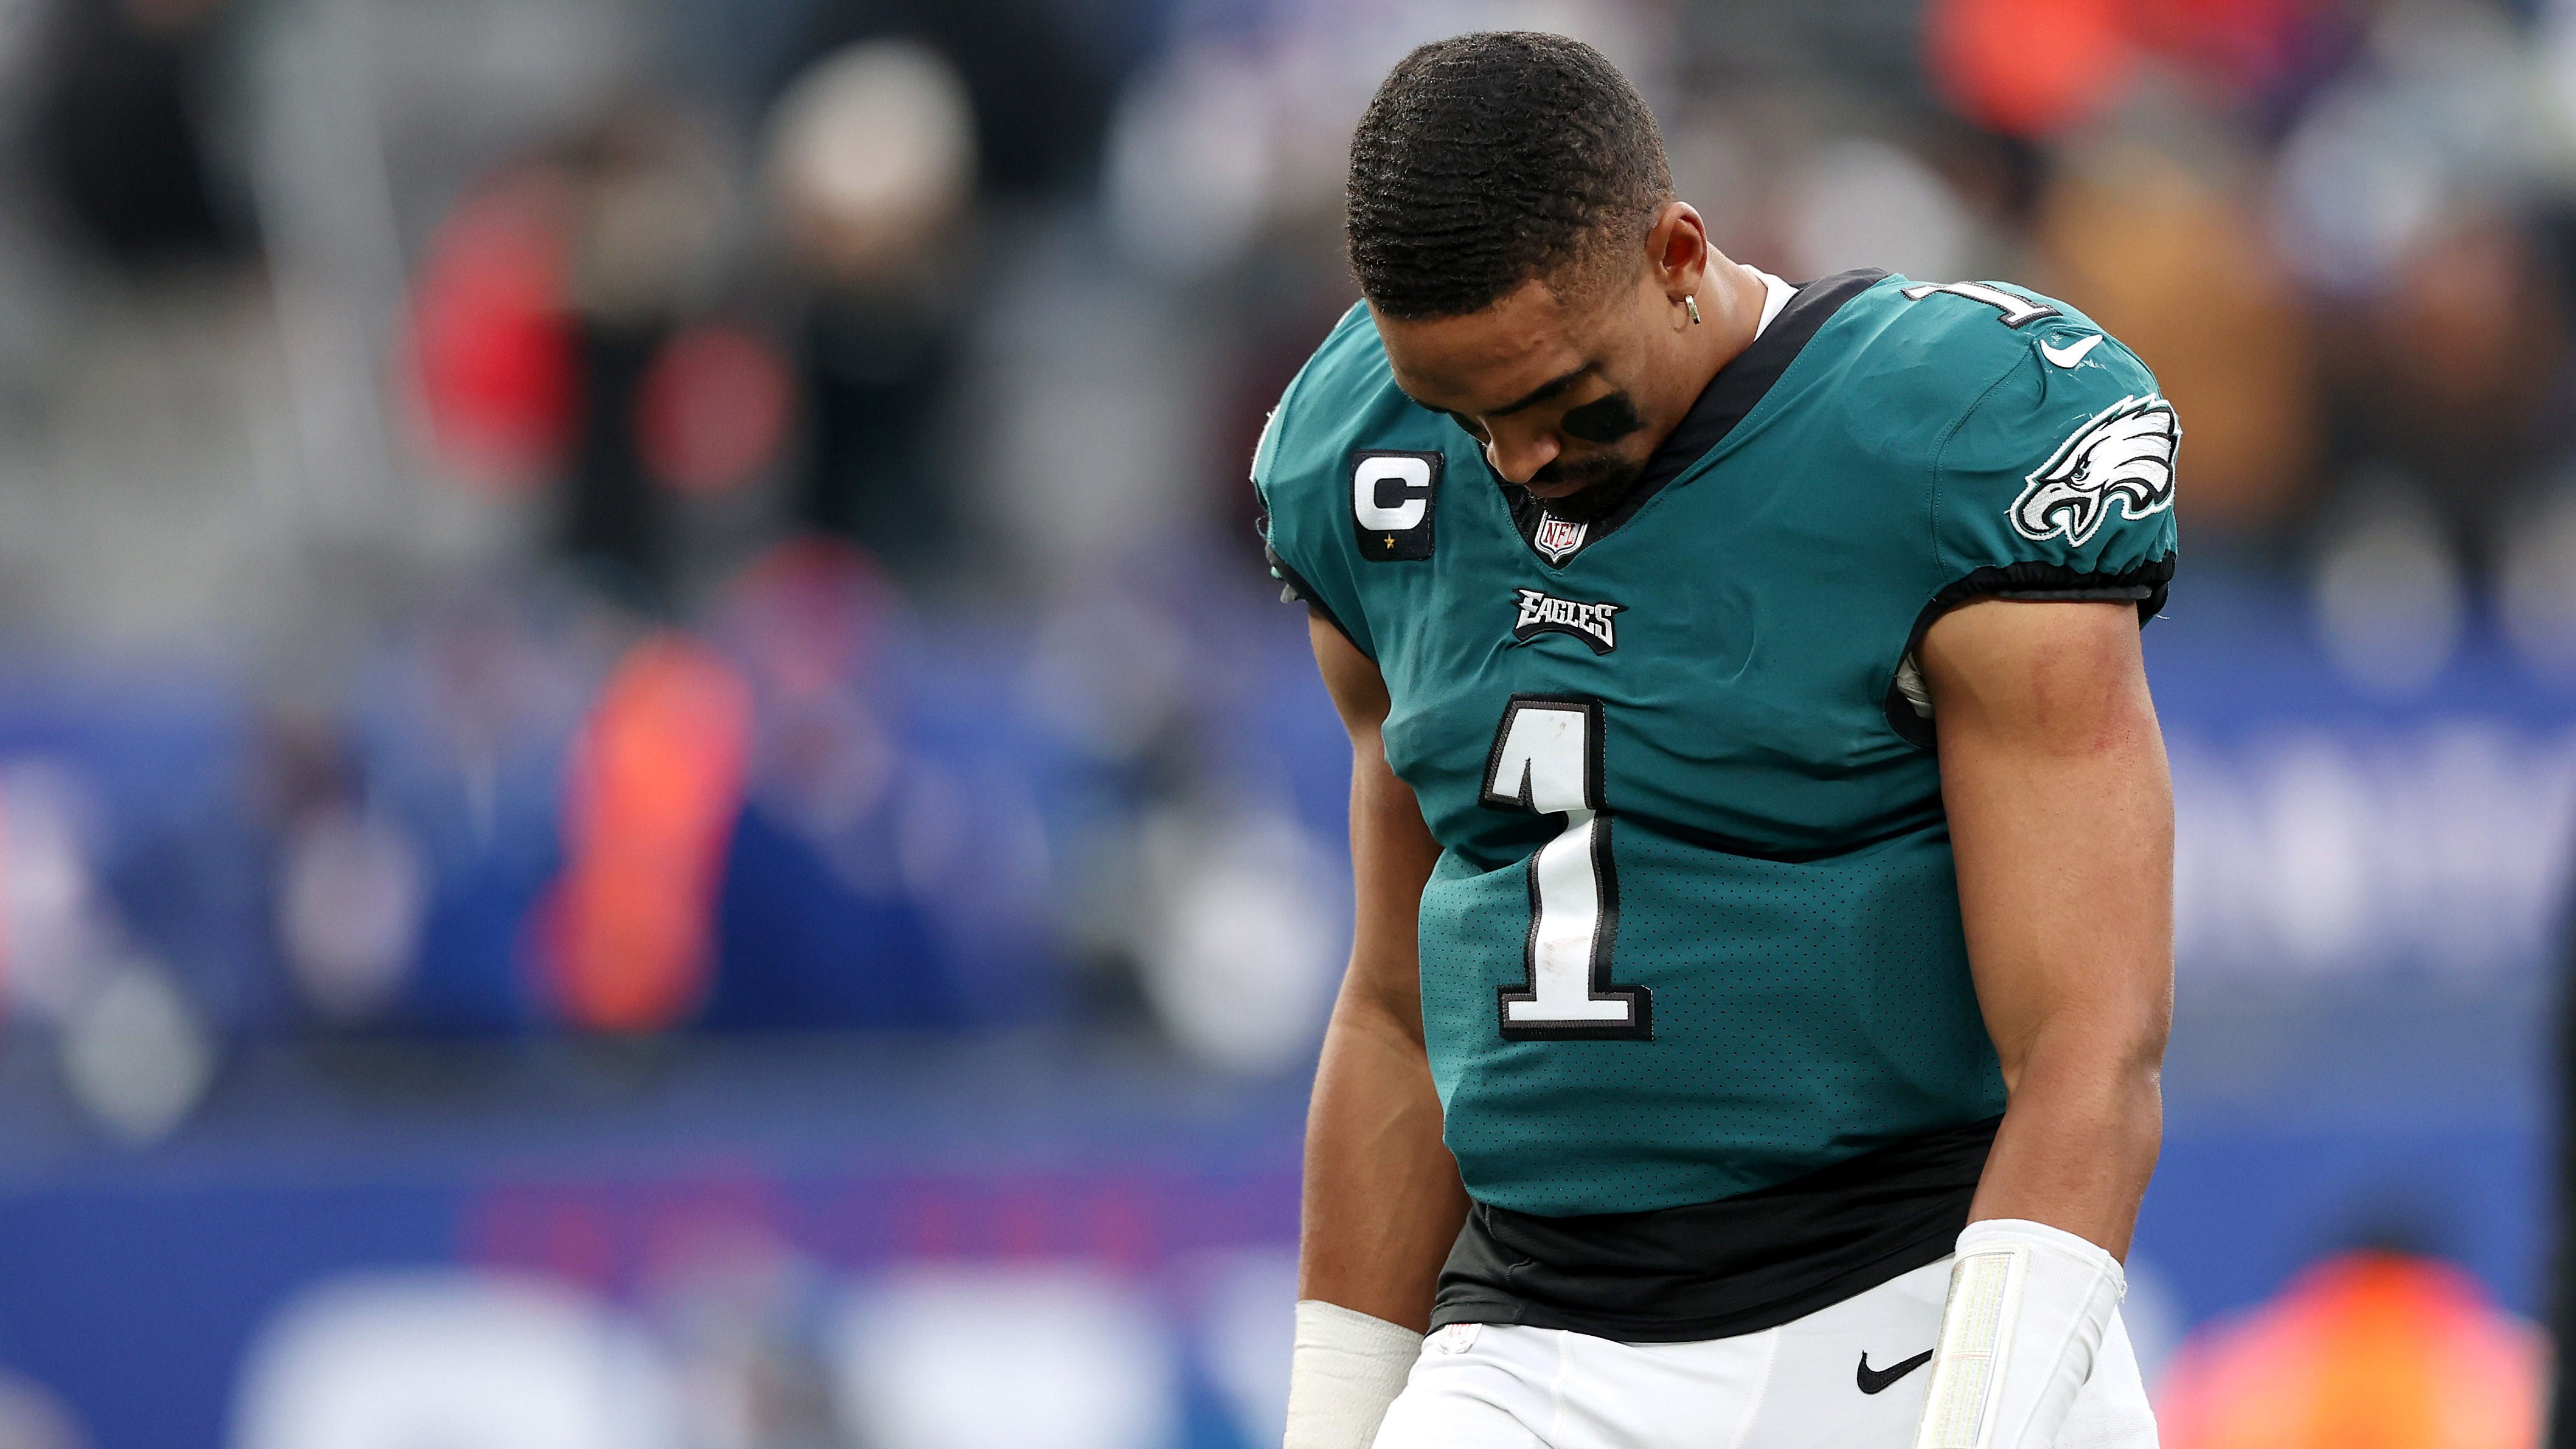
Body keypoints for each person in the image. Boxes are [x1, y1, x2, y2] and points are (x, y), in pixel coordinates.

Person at [1255, 33, 2176, 1449]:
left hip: (1905, 1300)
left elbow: (2089, 1046)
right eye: (1462, 412)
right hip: (1532, 1328)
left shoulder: (1939, 441)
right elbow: (1394, 1006)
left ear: (1678, 254)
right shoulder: (1363, 463)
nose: (1512, 460)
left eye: (1558, 397)